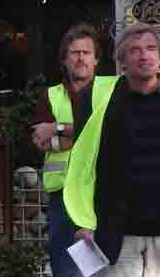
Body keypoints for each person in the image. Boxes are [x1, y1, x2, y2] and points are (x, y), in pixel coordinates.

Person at [64, 23, 160, 276]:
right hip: (118, 229)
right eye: (134, 50)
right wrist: (82, 222)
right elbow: (80, 164)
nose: (144, 56)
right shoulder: (97, 98)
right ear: (122, 60)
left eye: (150, 48)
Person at [31, 24, 116, 277]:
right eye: (74, 52)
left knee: (112, 266)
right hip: (65, 196)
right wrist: (88, 136)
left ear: (97, 59)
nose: (80, 58)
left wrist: (58, 128)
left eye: (86, 52)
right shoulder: (50, 96)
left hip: (106, 191)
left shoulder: (112, 89)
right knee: (68, 268)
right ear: (64, 60)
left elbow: (110, 133)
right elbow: (40, 141)